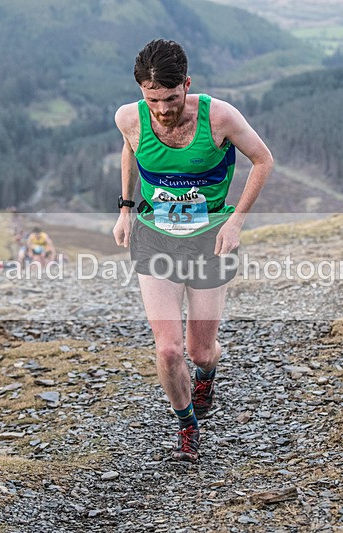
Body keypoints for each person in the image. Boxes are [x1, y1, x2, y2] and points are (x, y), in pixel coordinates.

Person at [112, 39, 273, 462]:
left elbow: (263, 160)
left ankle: (206, 372)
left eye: (170, 98)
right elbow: (130, 147)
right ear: (141, 93)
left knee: (200, 349)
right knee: (167, 348)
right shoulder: (129, 118)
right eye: (152, 100)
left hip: (210, 239)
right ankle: (187, 426)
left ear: (187, 84)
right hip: (155, 236)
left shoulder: (219, 117)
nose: (162, 110)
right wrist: (126, 209)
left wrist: (236, 219)